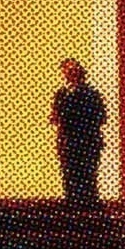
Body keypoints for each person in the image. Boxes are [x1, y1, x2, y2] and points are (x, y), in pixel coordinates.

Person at [50, 56, 110, 205]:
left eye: (73, 70)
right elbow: (55, 115)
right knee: (69, 172)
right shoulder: (61, 94)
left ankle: (88, 203)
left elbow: (101, 116)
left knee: (87, 172)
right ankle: (72, 201)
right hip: (68, 140)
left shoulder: (91, 94)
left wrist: (79, 122)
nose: (70, 73)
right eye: (67, 70)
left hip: (87, 140)